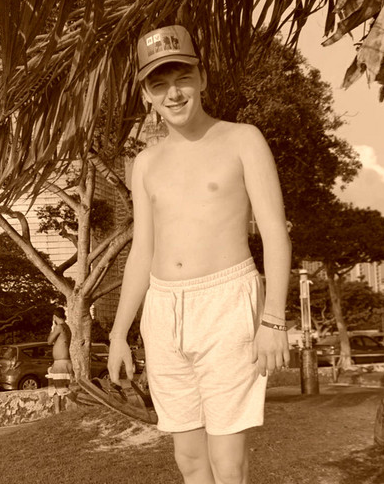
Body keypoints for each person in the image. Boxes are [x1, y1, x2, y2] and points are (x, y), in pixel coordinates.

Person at [108, 25, 292, 484]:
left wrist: (273, 320)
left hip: (227, 302)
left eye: (182, 78)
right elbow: (143, 250)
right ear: (146, 95)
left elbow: (274, 232)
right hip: (163, 311)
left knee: (228, 462)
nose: (173, 94)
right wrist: (118, 333)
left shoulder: (243, 139)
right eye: (159, 84)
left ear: (202, 78)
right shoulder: (145, 163)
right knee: (189, 459)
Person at [47, 306, 73, 395]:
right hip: (62, 362)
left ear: (54, 317)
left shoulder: (59, 327)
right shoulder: (67, 327)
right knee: (54, 390)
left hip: (61, 363)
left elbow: (49, 341)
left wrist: (52, 327)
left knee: (61, 390)